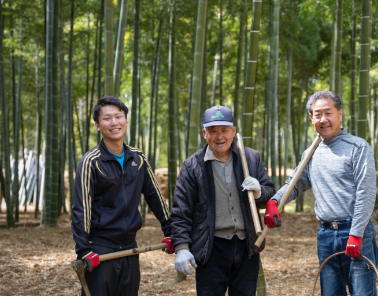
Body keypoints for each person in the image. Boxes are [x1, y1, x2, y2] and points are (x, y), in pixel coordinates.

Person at [265, 91, 378, 296]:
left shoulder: (358, 147)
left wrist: (356, 233)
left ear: (340, 114)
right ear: (311, 118)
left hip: (355, 232)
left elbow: (366, 192)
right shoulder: (311, 151)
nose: (323, 119)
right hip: (326, 235)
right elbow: (296, 183)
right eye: (318, 114)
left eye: (329, 113)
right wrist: (274, 201)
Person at [71, 96, 174, 296]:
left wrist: (171, 231)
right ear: (97, 125)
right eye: (107, 118)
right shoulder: (90, 162)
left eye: (119, 117)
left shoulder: (138, 158)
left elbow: (156, 198)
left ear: (126, 121)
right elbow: (81, 208)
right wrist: (84, 249)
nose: (114, 122)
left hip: (130, 249)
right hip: (100, 250)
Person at [170, 105, 276, 295]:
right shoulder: (192, 166)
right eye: (213, 131)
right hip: (211, 247)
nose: (220, 136)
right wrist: (182, 247)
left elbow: (270, 193)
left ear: (233, 131)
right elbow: (181, 210)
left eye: (224, 130)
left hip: (246, 246)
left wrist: (260, 192)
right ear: (204, 133)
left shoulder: (250, 158)